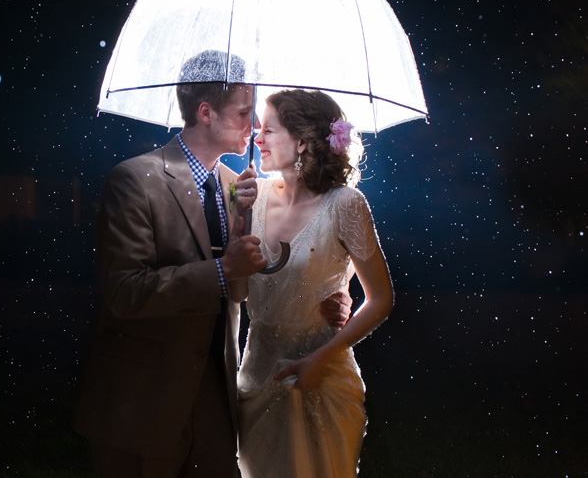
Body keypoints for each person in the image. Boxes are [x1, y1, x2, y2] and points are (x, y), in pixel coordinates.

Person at [74, 51, 352, 478]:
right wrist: (222, 270)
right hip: (144, 404)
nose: (253, 128)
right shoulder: (135, 180)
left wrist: (326, 298)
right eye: (243, 114)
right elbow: (125, 292)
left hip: (217, 406)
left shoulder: (235, 187)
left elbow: (254, 286)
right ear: (206, 113)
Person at [232, 89, 394, 478]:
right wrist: (238, 215)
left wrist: (322, 356)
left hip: (322, 377)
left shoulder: (346, 204)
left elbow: (381, 299)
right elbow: (236, 293)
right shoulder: (250, 196)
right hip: (257, 374)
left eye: (268, 130)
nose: (257, 139)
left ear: (302, 141)